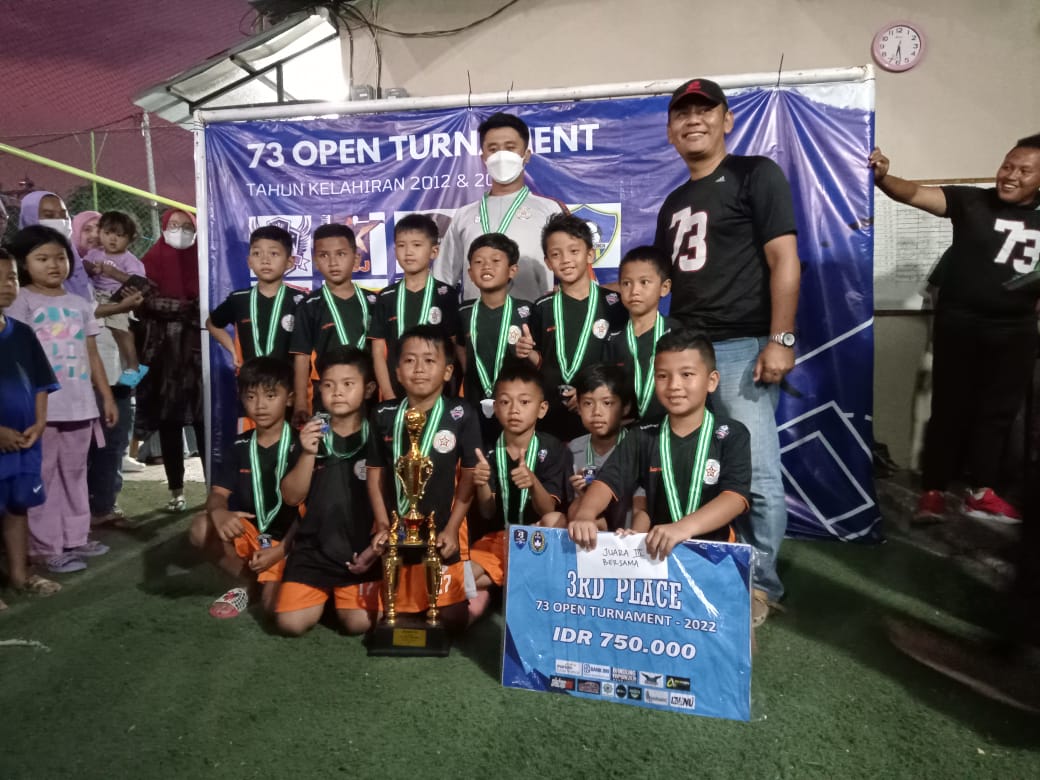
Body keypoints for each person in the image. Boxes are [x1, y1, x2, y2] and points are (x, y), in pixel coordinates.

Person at [654, 78, 800, 625]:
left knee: (756, 473)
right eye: (682, 113)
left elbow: (784, 259)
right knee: (690, 463)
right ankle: (702, 565)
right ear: (670, 130)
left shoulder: (755, 174)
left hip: (741, 346)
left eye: (705, 109)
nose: (693, 120)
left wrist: (780, 338)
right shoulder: (673, 202)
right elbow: (668, 284)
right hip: (688, 350)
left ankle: (761, 585)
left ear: (727, 119)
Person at [870, 136, 1040, 523]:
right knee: (949, 409)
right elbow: (914, 193)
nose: (1010, 175)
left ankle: (982, 491)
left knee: (998, 414)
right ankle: (933, 492)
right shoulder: (972, 201)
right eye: (1007, 165)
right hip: (960, 324)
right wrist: (882, 178)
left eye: (1024, 170)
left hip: (1016, 330)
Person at [569, 330, 751, 559]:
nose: (674, 385)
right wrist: (585, 514)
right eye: (663, 376)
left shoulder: (732, 434)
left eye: (686, 374)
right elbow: (608, 481)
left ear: (711, 381)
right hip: (657, 554)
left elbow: (735, 498)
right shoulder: (643, 434)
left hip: (715, 555)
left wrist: (681, 528)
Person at [6, 226, 118, 574]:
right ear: (23, 264)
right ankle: (46, 547)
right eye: (42, 258)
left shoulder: (79, 305)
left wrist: (106, 396)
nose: (53, 265)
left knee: (75, 473)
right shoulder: (21, 302)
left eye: (60, 257)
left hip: (80, 407)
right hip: (41, 410)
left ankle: (75, 536)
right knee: (44, 477)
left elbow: (92, 355)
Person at [367, 325, 480, 630]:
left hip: (441, 528)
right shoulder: (383, 414)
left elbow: (469, 477)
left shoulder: (461, 413)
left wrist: (452, 529)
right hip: (397, 529)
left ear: (447, 371)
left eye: (430, 361)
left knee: (453, 620)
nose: (419, 369)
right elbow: (375, 475)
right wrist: (383, 526)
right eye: (409, 360)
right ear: (397, 371)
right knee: (380, 619)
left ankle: (471, 594)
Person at [275, 347, 383, 636]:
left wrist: (376, 547)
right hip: (314, 550)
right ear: (319, 389)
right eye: (328, 385)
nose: (337, 393)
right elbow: (291, 497)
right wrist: (308, 453)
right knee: (290, 624)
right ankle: (324, 593)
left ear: (368, 389)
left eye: (348, 384)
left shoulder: (379, 436)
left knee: (359, 623)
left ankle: (338, 599)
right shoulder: (310, 434)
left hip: (361, 551)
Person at [188, 357, 300, 618]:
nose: (260, 405)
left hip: (292, 540)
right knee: (201, 526)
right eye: (251, 396)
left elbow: (312, 511)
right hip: (253, 533)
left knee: (275, 609)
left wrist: (282, 549)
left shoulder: (303, 446)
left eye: (270, 395)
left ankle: (275, 578)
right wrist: (219, 511)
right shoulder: (238, 445)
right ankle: (246, 583)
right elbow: (218, 494)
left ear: (290, 399)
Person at [434, 112, 565, 303]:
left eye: (510, 148)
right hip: (475, 319)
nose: (501, 156)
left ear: (526, 155)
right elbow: (442, 281)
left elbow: (573, 271)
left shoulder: (550, 210)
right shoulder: (464, 216)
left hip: (534, 318)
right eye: (493, 149)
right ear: (483, 157)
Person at [468, 362, 569, 600]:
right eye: (505, 402)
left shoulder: (553, 448)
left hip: (536, 538)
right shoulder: (488, 451)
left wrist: (533, 482)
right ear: (495, 407)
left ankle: (513, 578)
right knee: (462, 584)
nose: (514, 410)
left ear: (542, 409)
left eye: (524, 402)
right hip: (500, 539)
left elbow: (548, 510)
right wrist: (482, 483)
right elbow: (487, 511)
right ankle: (513, 577)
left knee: (554, 520)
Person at [0, 248, 61, 607]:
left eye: (10, 277)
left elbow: (41, 382)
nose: (6, 285)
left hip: (24, 443)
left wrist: (39, 422)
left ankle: (19, 576)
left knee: (17, 506)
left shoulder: (22, 333)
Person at [535, 213, 627, 441]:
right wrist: (524, 352)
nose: (565, 260)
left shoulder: (614, 305)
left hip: (601, 415)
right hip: (551, 418)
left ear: (590, 254)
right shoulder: (542, 307)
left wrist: (590, 392)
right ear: (547, 262)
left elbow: (623, 362)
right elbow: (539, 361)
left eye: (574, 251)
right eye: (556, 254)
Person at [136, 209, 204, 512]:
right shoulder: (149, 262)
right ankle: (176, 490)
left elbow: (209, 304)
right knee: (170, 424)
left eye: (187, 226)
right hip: (165, 361)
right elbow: (145, 302)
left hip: (198, 358)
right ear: (164, 228)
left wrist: (184, 309)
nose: (180, 231)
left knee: (204, 422)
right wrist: (186, 308)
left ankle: (214, 491)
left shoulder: (204, 259)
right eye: (174, 225)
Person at [457, 232, 540, 446]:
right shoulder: (463, 312)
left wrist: (528, 353)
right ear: (470, 272)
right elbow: (460, 350)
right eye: (478, 262)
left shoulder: (528, 311)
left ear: (512, 270)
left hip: (517, 408)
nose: (486, 266)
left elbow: (542, 361)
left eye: (495, 261)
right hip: (474, 405)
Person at [290, 224, 378, 426]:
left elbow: (382, 354)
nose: (333, 262)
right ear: (315, 261)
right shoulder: (309, 306)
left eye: (341, 254)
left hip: (367, 394)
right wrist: (301, 402)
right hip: (327, 394)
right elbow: (302, 357)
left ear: (356, 259)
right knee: (326, 442)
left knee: (368, 440)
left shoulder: (374, 302)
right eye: (324, 255)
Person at [369, 213, 460, 400]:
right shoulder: (386, 297)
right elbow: (378, 352)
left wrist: (447, 393)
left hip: (437, 395)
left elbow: (452, 350)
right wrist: (388, 394)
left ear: (434, 251)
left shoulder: (446, 295)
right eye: (401, 245)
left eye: (417, 245)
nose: (408, 252)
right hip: (396, 393)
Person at [206, 225, 303, 367]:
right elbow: (212, 323)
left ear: (289, 262)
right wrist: (234, 351)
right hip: (249, 377)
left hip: (289, 378)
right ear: (249, 262)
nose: (265, 260)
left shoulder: (301, 300)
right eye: (257, 253)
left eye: (274, 253)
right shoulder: (239, 299)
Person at [606, 246, 677, 424]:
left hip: (668, 430)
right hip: (625, 432)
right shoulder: (612, 338)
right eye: (626, 283)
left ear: (664, 287)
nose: (634, 291)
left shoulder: (679, 334)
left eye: (644, 282)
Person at [566, 364, 638, 532]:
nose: (597, 412)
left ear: (625, 407)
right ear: (578, 407)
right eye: (588, 403)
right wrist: (582, 493)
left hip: (626, 537)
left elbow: (642, 506)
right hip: (588, 535)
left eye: (607, 403)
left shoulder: (636, 447)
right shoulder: (573, 450)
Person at [81, 210, 149, 387]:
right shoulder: (95, 253)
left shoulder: (129, 260)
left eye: (119, 235)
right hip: (97, 298)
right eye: (107, 233)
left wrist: (113, 273)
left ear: (130, 239)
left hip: (118, 299)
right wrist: (91, 268)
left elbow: (138, 281)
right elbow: (83, 264)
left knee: (121, 330)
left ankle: (134, 366)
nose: (112, 239)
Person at [17, 190, 92, 301]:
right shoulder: (17, 264)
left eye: (64, 215)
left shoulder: (72, 254)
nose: (61, 221)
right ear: (29, 218)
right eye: (49, 216)